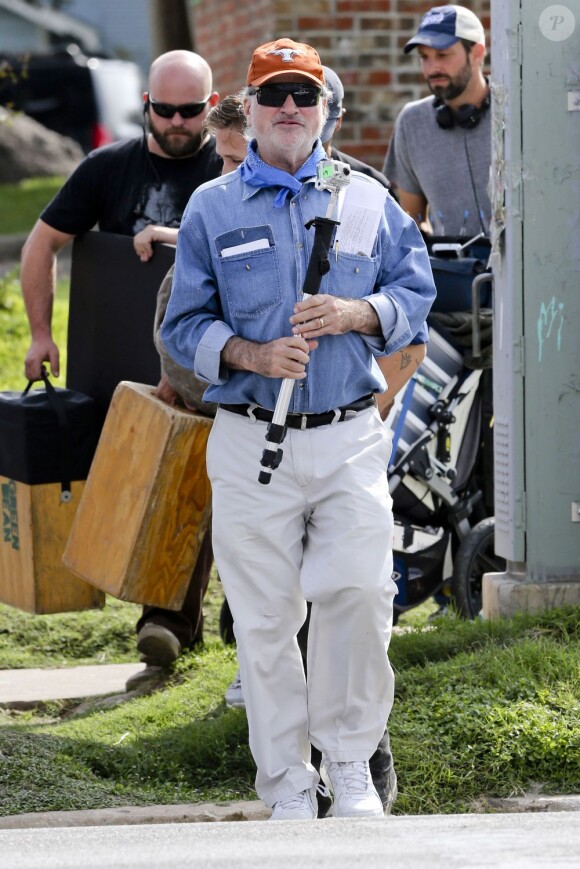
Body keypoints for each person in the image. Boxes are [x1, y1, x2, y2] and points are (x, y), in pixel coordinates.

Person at [161, 38, 435, 820]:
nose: (289, 109)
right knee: (266, 615)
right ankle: (286, 779)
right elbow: (182, 328)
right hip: (250, 437)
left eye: (303, 96)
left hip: (349, 431)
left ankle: (349, 765)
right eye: (274, 95)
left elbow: (412, 293)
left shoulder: (367, 199)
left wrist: (357, 313)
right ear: (247, 108)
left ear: (324, 109)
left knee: (357, 590)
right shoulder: (211, 207)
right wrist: (248, 351)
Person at [20, 50, 222, 685]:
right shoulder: (108, 168)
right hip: (128, 360)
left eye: (192, 110)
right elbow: (41, 241)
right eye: (165, 110)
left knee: (211, 483)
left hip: (213, 357)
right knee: (148, 482)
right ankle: (151, 612)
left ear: (211, 107)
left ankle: (183, 620)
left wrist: (169, 235)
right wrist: (39, 333)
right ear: (146, 107)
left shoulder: (232, 167)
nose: (178, 122)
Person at [383, 5, 491, 237]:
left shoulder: (515, 116)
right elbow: (410, 224)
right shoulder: (412, 122)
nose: (432, 68)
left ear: (477, 53)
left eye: (442, 55)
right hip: (448, 270)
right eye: (425, 57)